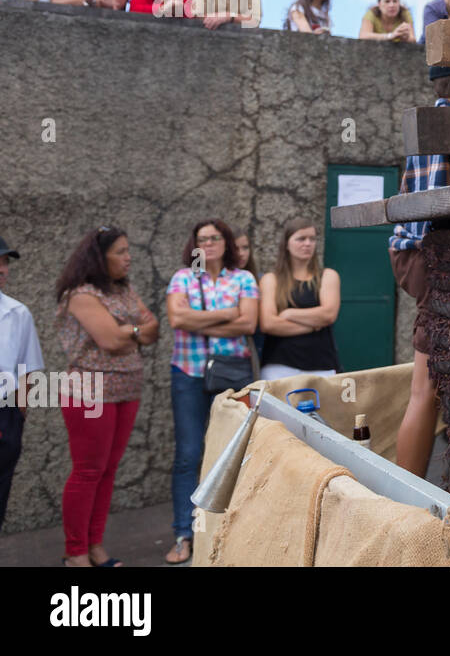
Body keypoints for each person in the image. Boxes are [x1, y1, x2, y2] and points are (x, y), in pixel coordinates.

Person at [53, 226, 159, 567]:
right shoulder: (81, 294)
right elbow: (110, 341)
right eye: (121, 252)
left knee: (108, 470)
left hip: (126, 387)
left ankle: (95, 546)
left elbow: (154, 328)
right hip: (89, 390)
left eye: (129, 250)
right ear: (101, 257)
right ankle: (75, 553)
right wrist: (133, 331)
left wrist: (130, 331)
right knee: (88, 471)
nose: (129, 258)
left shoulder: (125, 291)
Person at [164, 219, 258, 564]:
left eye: (215, 237)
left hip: (231, 376)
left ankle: (229, 532)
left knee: (232, 453)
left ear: (226, 241)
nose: (209, 243)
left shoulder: (243, 278)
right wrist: (228, 313)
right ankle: (183, 534)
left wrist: (198, 316)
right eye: (202, 238)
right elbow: (177, 319)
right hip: (187, 374)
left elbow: (248, 323)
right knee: (189, 454)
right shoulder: (183, 277)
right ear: (195, 245)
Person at [392, 74, 450, 477]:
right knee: (424, 387)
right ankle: (407, 494)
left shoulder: (439, 117)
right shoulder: (445, 120)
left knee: (430, 386)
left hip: (417, 252)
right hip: (426, 255)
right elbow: (438, 203)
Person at [257, 219, 340, 382]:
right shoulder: (271, 279)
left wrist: (289, 313)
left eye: (312, 239)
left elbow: (328, 314)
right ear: (287, 244)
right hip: (278, 367)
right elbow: (268, 323)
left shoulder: (327, 276)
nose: (308, 244)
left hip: (321, 366)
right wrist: (314, 325)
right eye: (301, 239)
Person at [0, 234, 43, 533]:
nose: (3, 269)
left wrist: (18, 415)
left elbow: (28, 369)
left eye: (4, 263)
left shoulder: (17, 314)